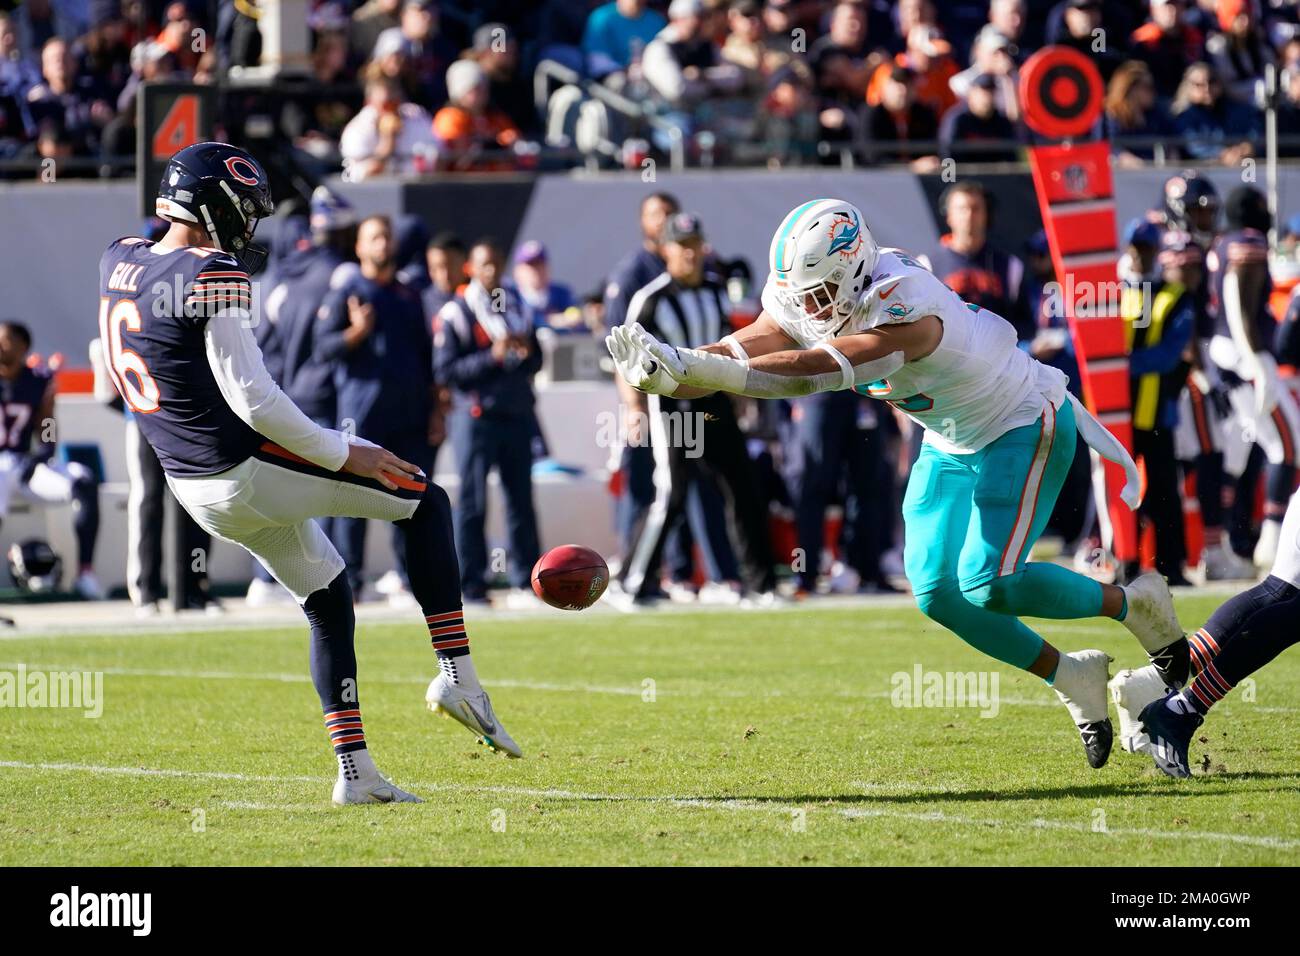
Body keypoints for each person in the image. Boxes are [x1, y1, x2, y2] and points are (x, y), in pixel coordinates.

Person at [608, 198, 1188, 768]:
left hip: (1020, 418)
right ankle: (1072, 675)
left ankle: (1133, 603)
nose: (809, 308)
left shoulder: (904, 299)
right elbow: (747, 346)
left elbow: (817, 372)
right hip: (949, 435)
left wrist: (711, 370)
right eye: (802, 295)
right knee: (937, 593)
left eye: (819, 293)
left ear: (855, 266)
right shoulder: (808, 289)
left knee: (989, 583)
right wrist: (671, 368)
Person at [100, 143, 519, 806]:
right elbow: (254, 398)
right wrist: (342, 451)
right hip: (239, 465)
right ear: (213, 203)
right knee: (423, 499)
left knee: (327, 598)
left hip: (192, 485)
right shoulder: (211, 272)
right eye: (243, 210)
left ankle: (356, 774)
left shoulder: (119, 257)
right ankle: (459, 678)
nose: (250, 227)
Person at [614, 212, 777, 606]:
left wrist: (741, 391)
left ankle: (761, 586)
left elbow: (728, 343)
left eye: (694, 245)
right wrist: (633, 405)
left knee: (743, 488)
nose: (690, 254)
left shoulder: (716, 288)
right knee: (671, 493)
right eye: (681, 246)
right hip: (671, 403)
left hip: (714, 398)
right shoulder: (651, 298)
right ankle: (632, 583)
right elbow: (625, 357)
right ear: (665, 249)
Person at [314, 214, 436, 604]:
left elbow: (426, 357)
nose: (382, 244)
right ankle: (350, 581)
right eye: (374, 238)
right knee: (352, 499)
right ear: (360, 247)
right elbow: (323, 349)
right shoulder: (347, 293)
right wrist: (356, 332)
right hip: (360, 418)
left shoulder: (409, 295)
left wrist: (435, 408)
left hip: (410, 416)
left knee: (410, 499)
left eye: (386, 237)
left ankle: (406, 579)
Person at [433, 239, 543, 605]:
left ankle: (526, 580)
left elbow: (536, 360)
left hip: (515, 414)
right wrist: (491, 357)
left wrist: (527, 354)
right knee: (473, 501)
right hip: (475, 418)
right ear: (471, 269)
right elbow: (446, 370)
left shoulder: (518, 306)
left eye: (497, 263)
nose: (492, 271)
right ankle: (471, 584)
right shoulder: (458, 312)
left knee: (521, 501)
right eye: (485, 265)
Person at [0, 320, 102, 599]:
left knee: (83, 479)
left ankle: (85, 574)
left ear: (23, 347)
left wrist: (41, 456)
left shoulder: (38, 380)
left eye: (5, 340)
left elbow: (47, 427)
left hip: (23, 463)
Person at [1124, 226, 1197, 585]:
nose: (1142, 255)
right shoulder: (1109, 289)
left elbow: (1171, 353)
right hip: (1114, 413)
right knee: (1120, 489)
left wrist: (1122, 363)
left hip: (1157, 410)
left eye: (1148, 248)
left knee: (1165, 488)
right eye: (1136, 247)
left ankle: (1172, 566)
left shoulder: (1175, 294)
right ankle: (1124, 562)